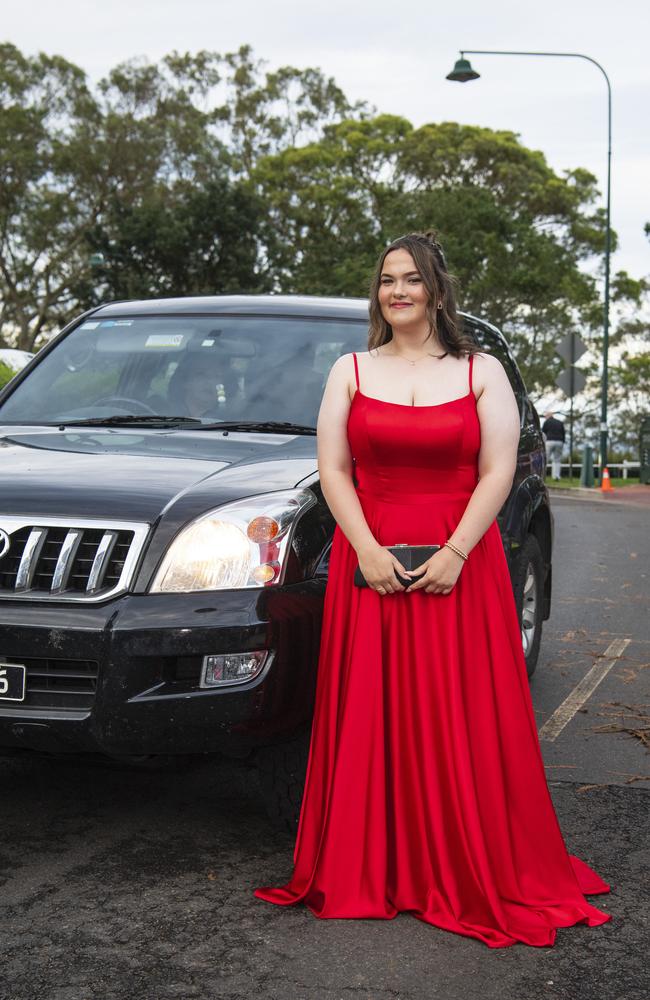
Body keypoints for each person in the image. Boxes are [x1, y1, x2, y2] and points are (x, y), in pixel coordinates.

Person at [253, 230, 612, 948]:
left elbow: (498, 471)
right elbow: (334, 472)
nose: (398, 291)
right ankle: (372, 866)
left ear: (436, 289)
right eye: (387, 280)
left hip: (461, 563)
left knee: (461, 712)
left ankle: (464, 859)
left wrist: (454, 552)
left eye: (411, 279)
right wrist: (367, 550)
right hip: (372, 566)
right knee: (374, 713)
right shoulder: (349, 370)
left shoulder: (480, 372)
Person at [542, 411, 566, 481]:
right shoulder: (559, 422)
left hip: (549, 441)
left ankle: (543, 476)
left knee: (545, 460)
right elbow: (563, 433)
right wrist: (562, 441)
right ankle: (556, 476)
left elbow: (543, 433)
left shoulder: (547, 422)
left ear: (548, 416)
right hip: (559, 441)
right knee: (557, 460)